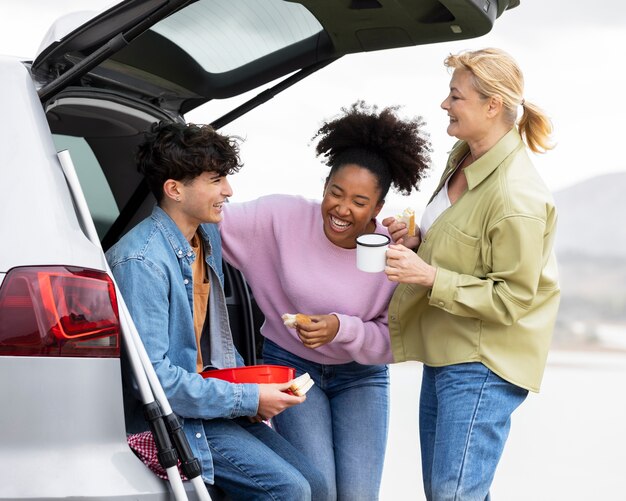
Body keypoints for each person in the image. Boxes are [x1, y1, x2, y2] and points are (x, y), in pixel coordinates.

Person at [219, 101, 432, 500]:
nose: (342, 209)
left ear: (378, 208)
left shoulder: (396, 251)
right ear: (324, 186)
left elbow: (395, 338)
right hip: (291, 365)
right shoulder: (280, 217)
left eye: (359, 201)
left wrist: (341, 328)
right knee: (319, 491)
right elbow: (208, 217)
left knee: (357, 496)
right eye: (335, 193)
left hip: (361, 376)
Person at [106, 122, 328, 500]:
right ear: (174, 189)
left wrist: (253, 392)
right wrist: (249, 399)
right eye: (215, 180)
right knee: (288, 490)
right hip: (175, 418)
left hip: (210, 403)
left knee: (317, 486)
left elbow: (213, 342)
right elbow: (157, 385)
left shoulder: (206, 237)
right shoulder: (141, 262)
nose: (228, 191)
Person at [382, 48, 561, 501]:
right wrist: (419, 236)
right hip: (447, 352)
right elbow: (463, 242)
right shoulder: (463, 155)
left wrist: (426, 276)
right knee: (447, 493)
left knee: (453, 495)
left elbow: (512, 299)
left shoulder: (517, 196)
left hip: (483, 364)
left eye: (455, 95)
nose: (445, 104)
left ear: (492, 105)